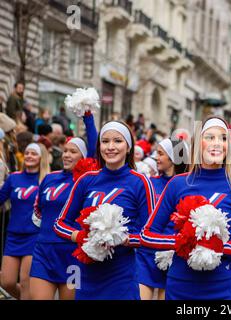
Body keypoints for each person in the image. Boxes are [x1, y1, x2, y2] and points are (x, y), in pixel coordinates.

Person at [140, 116, 231, 300]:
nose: (217, 143)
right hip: (181, 285)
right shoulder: (178, 183)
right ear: (198, 143)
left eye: (223, 138)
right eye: (210, 137)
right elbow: (147, 234)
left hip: (224, 286)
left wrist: (217, 247)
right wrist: (185, 243)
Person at [54, 120, 156, 300]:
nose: (110, 147)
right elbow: (60, 223)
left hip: (121, 275)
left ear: (129, 147)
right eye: (105, 141)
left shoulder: (140, 182)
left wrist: (122, 239)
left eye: (117, 141)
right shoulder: (86, 180)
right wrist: (80, 236)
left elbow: (151, 233)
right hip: (86, 274)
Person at [29, 111, 97, 300]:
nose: (66, 155)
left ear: (84, 157)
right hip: (44, 251)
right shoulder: (50, 178)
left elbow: (96, 146)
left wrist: (88, 118)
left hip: (71, 254)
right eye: (65, 150)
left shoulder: (86, 181)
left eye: (73, 152)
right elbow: (39, 210)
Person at [137, 138, 189, 300]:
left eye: (160, 154)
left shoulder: (186, 185)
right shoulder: (149, 182)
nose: (156, 158)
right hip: (145, 253)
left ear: (173, 158)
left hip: (173, 254)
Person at [0, 143, 50, 299]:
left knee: (25, 281)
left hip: (34, 236)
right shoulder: (14, 178)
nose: (29, 156)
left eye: (33, 153)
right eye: (27, 153)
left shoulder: (46, 180)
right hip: (13, 235)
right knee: (6, 281)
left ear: (41, 158)